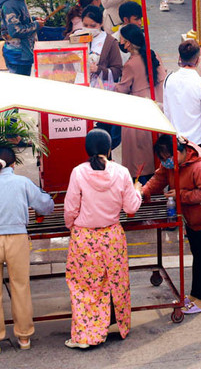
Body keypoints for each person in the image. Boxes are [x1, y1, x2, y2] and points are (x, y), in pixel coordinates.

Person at [0, 145, 55, 355]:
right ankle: (24, 337)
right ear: (13, 164)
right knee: (21, 287)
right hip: (18, 240)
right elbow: (46, 205)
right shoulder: (22, 182)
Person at [63, 128, 142, 349]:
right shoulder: (122, 172)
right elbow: (131, 207)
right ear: (109, 148)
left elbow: (70, 208)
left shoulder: (78, 172)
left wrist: (72, 227)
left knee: (85, 287)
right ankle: (118, 324)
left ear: (87, 149)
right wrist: (139, 191)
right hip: (113, 237)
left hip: (85, 238)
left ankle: (86, 335)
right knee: (116, 282)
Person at [142, 136, 201, 315]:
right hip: (191, 220)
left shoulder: (200, 166)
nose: (164, 162)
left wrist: (180, 195)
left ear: (179, 151)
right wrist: (144, 191)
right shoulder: (172, 165)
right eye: (161, 158)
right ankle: (194, 296)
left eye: (166, 157)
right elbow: (159, 178)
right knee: (198, 258)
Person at [115, 24, 164, 177]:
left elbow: (121, 89)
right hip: (157, 109)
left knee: (139, 162)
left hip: (138, 113)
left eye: (122, 40)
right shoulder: (153, 55)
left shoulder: (131, 64)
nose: (121, 43)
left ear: (128, 43)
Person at [162, 39, 201, 152]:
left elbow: (167, 112)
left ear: (179, 58)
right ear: (198, 60)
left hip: (175, 141)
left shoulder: (168, 79)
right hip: (196, 143)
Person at [0, 0, 43, 76]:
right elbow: (15, 31)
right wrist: (36, 25)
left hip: (22, 53)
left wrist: (33, 20)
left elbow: (18, 22)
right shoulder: (10, 4)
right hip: (17, 56)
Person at [82, 6, 122, 84]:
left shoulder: (110, 42)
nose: (89, 28)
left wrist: (98, 69)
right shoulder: (75, 36)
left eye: (93, 26)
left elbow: (117, 71)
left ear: (101, 23)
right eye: (85, 25)